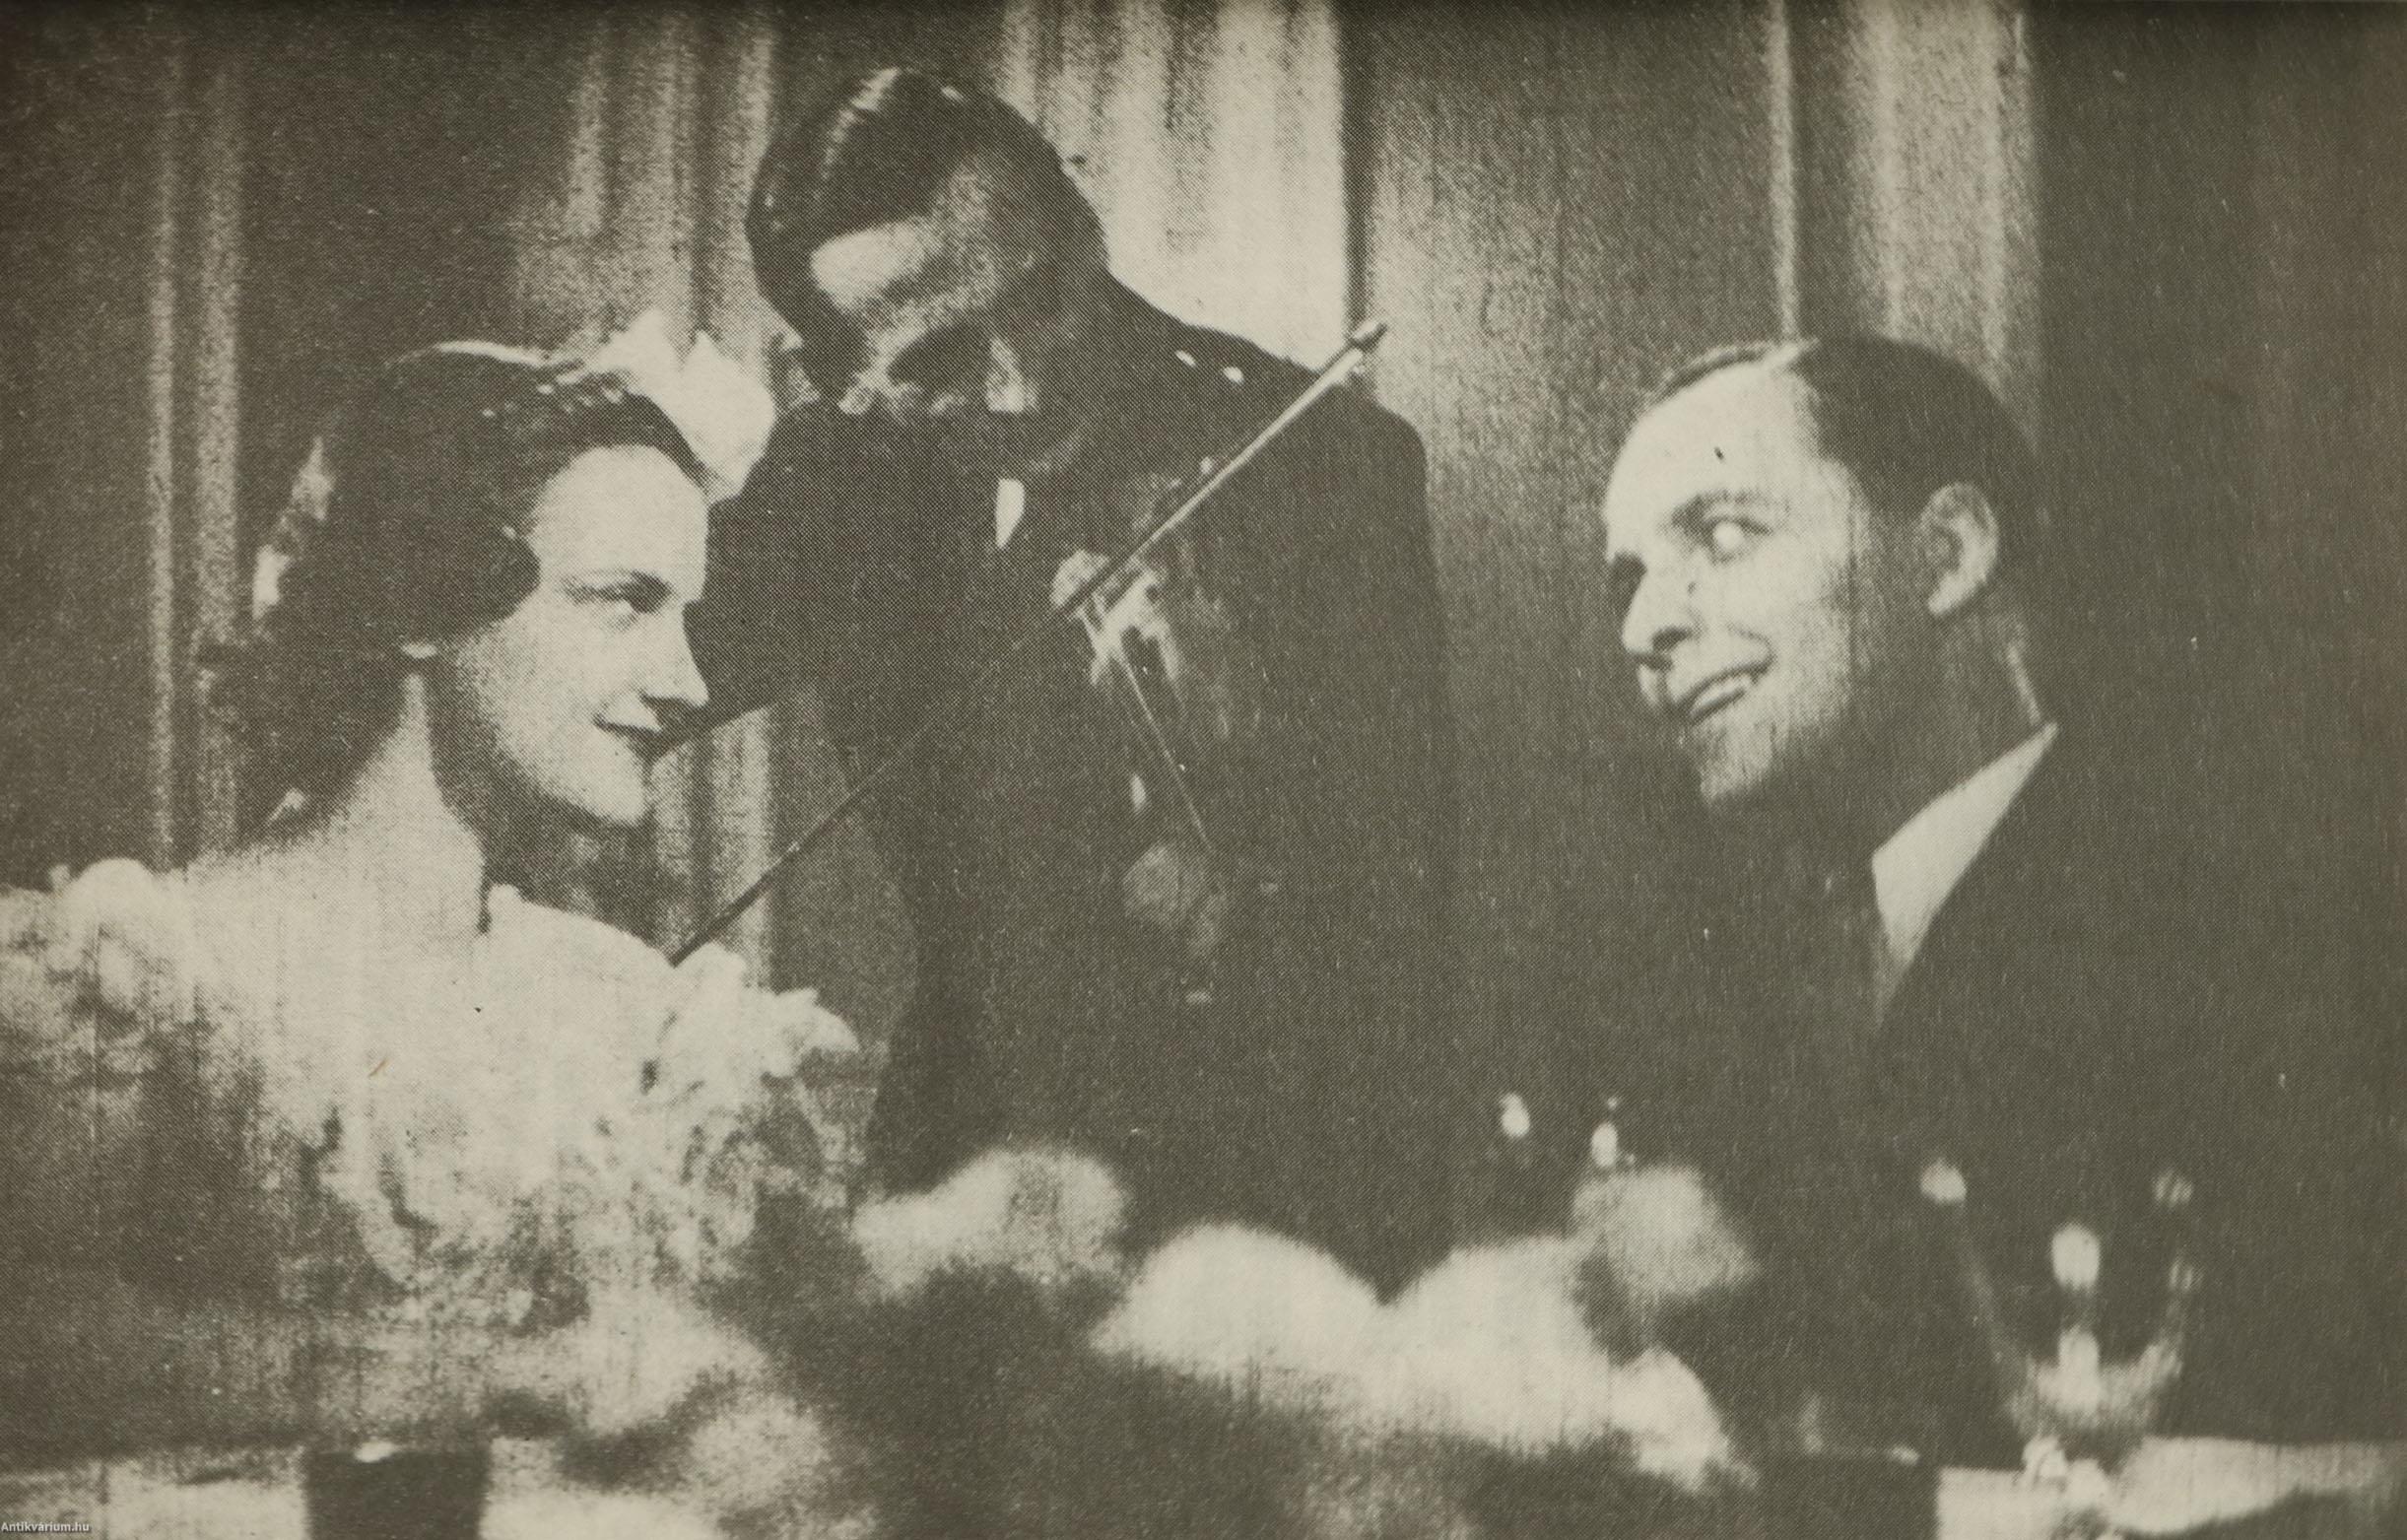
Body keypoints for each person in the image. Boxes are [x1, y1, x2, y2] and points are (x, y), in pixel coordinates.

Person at [0, 337, 862, 1527]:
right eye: (624, 602)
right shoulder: (140, 966)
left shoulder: (632, 1008)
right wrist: (500, 1376)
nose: (690, 683)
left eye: (687, 617)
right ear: (419, 602)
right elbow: (27, 1337)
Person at [697, 66, 1456, 1292]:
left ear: (1080, 223)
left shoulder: (1319, 456)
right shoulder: (835, 481)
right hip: (962, 1177)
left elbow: (1397, 907)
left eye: (1043, 293)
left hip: (1261, 1198)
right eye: (940, 356)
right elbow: (619, 677)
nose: (1023, 384)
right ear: (840, 379)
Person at [1595, 336, 2403, 1467]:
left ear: (1948, 554)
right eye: (1627, 577)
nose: (1643, 629)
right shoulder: (1738, 962)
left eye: (1723, 535)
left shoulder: (2248, 909)